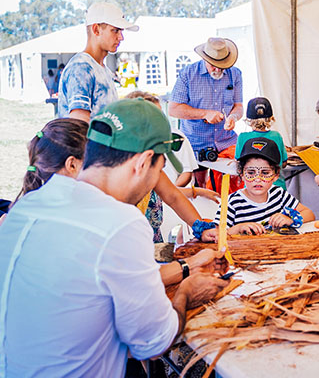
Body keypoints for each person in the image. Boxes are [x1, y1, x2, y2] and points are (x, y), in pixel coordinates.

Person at [0, 98, 229, 376]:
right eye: (158, 170)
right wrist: (186, 293)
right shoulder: (120, 222)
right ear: (143, 163)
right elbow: (154, 343)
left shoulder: (26, 206)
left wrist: (186, 265)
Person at [125, 91, 218, 243]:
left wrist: (201, 228)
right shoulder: (116, 165)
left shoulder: (151, 165)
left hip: (152, 241)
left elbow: (173, 196)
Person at [169, 37, 243, 189]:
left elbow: (239, 106)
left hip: (226, 141)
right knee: (199, 186)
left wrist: (233, 117)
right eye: (213, 65)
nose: (217, 70)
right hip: (196, 143)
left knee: (231, 185)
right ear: (204, 58)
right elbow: (173, 109)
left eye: (221, 66)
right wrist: (204, 114)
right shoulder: (188, 74)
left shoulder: (235, 74)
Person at [207, 137, 314, 238]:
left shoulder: (279, 194)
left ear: (276, 175)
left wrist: (290, 219)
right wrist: (238, 228)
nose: (258, 179)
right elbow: (217, 234)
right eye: (251, 172)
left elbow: (309, 214)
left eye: (265, 173)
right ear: (241, 174)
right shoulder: (231, 203)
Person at [58, 2, 138, 121]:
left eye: (121, 31)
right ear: (96, 29)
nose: (121, 37)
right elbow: (78, 124)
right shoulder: (81, 68)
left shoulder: (102, 69)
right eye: (115, 30)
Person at [235, 97, 288, 190]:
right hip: (276, 187)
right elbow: (284, 163)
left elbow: (238, 163)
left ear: (248, 119)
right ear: (270, 118)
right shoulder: (276, 136)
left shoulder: (242, 137)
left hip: (252, 188)